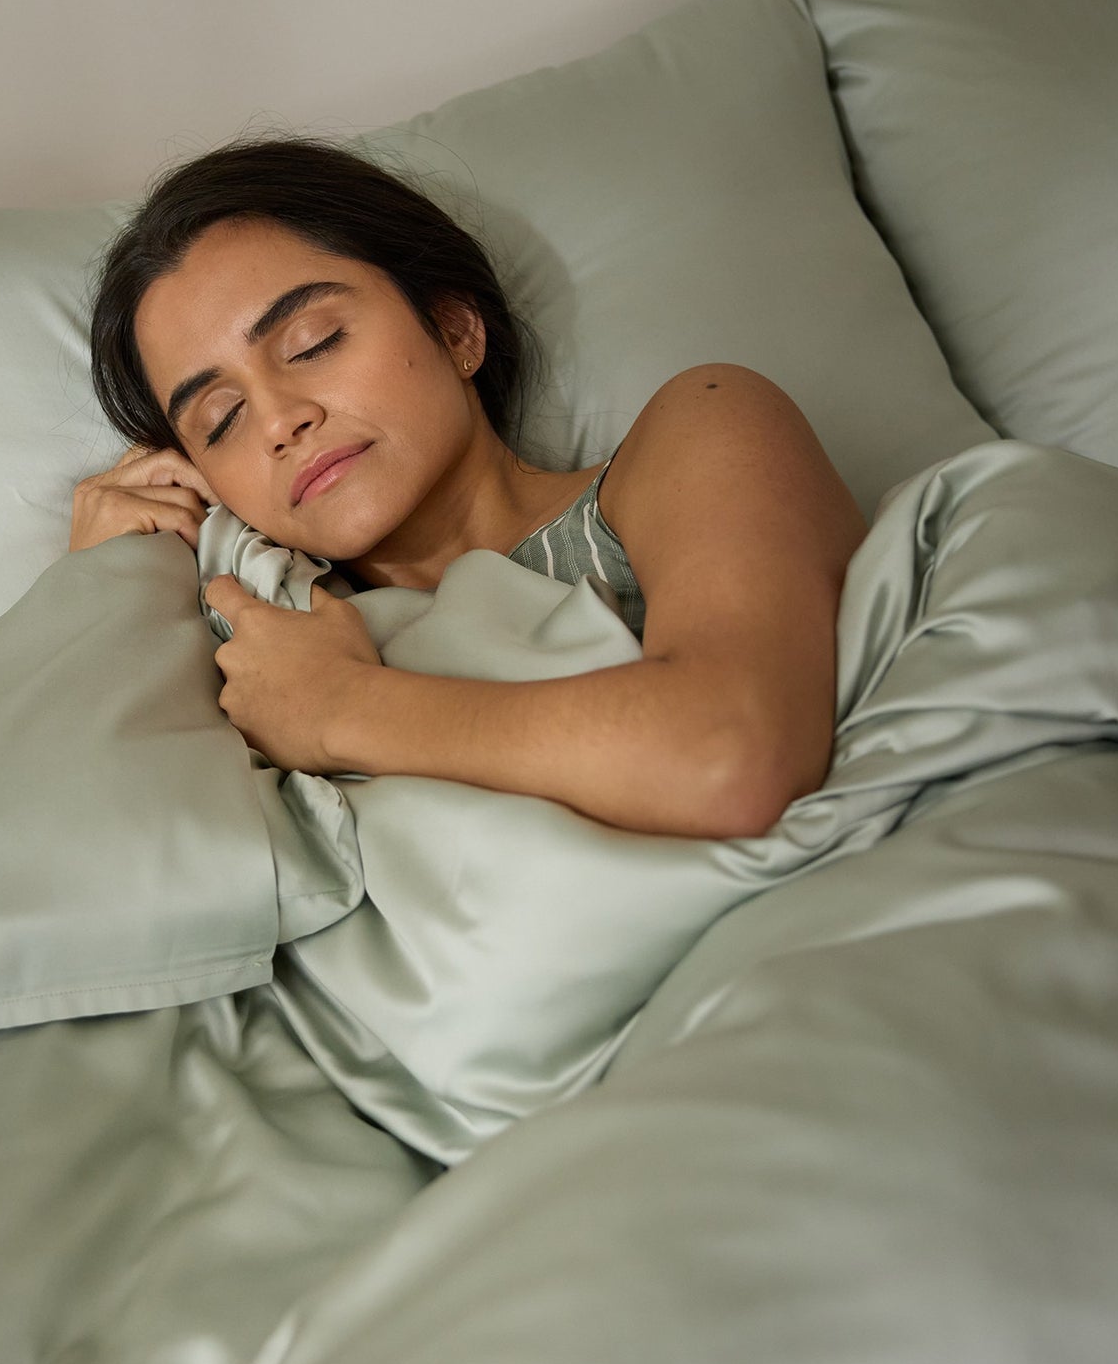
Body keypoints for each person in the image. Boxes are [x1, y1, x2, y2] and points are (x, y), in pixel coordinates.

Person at [74, 138, 866, 840]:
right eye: (222, 419)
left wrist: (345, 710)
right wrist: (92, 603)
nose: (280, 421)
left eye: (313, 342)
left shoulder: (701, 430)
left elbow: (731, 755)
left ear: (455, 329)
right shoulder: (259, 651)